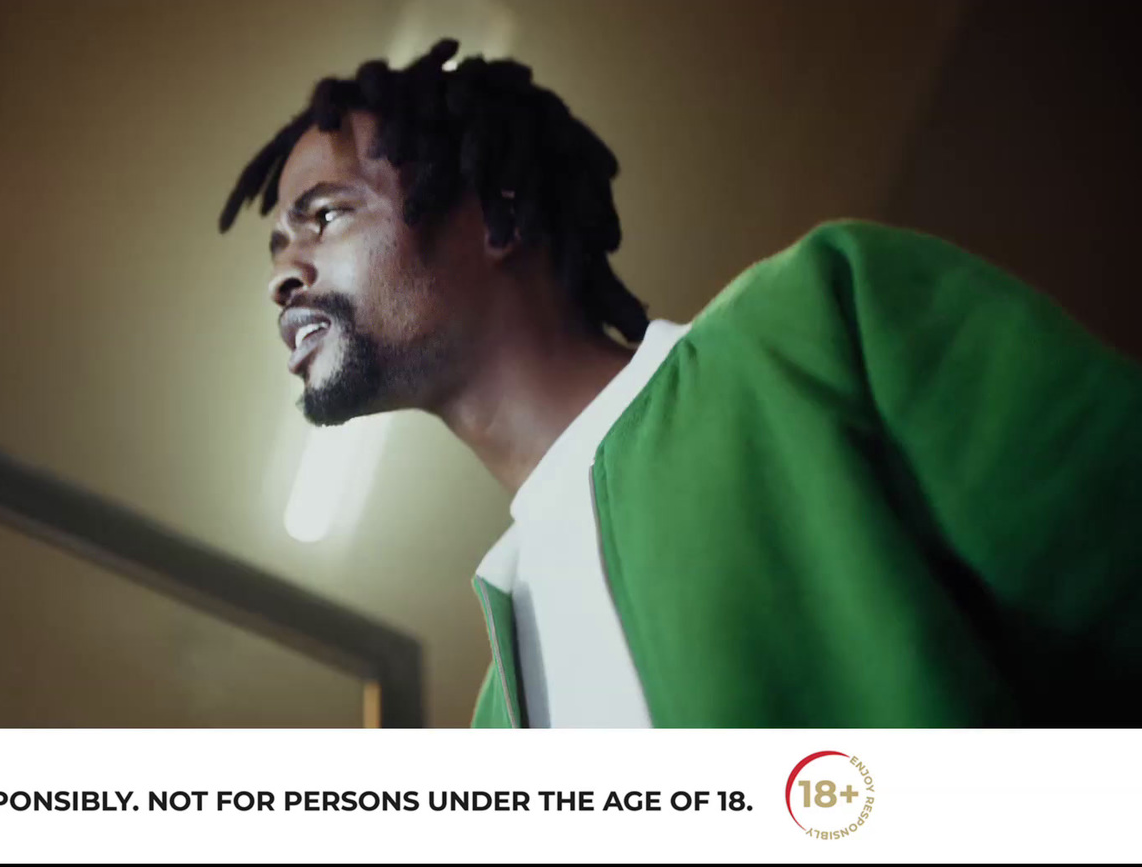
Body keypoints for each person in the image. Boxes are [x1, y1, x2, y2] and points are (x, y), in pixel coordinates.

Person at [217, 40, 1142, 727]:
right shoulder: (498, 715)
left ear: (497, 215)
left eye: (326, 216)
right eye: (278, 247)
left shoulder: (821, 321)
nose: (283, 276)